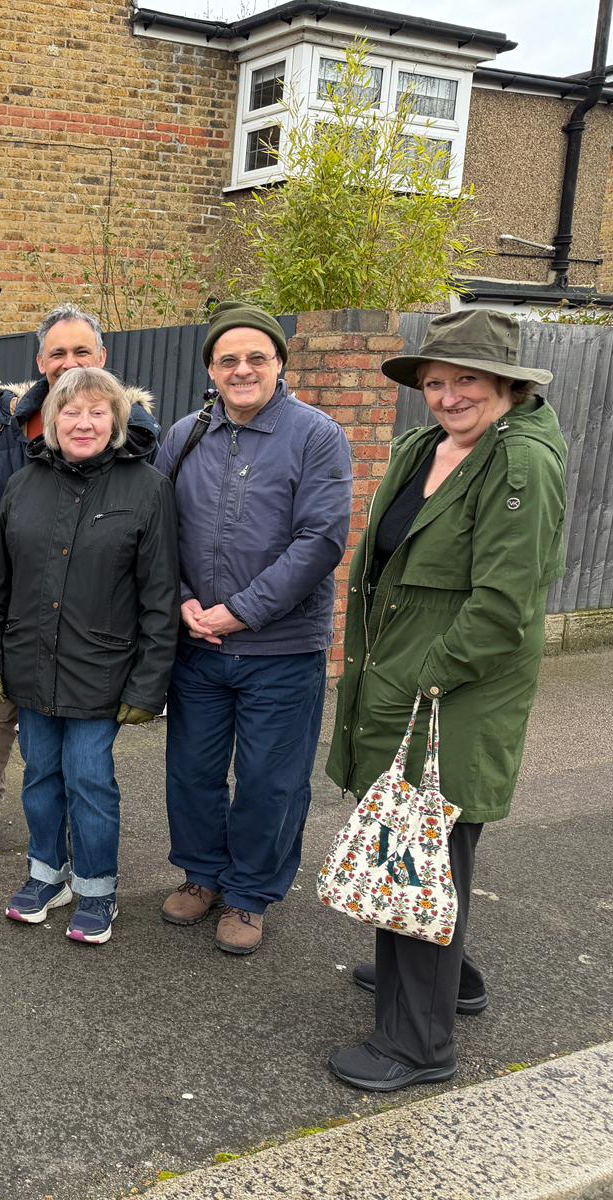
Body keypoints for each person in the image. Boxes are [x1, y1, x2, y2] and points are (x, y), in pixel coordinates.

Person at [324, 309, 565, 1092]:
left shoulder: (520, 464)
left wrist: (427, 678)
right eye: (435, 381)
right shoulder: (427, 448)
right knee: (417, 856)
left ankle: (417, 1046)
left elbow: (503, 606)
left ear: (505, 384)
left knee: (429, 853)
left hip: (449, 696)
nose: (448, 395)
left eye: (466, 379)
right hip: (402, 686)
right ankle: (442, 979)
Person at [157, 302, 352, 955]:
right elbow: (156, 531)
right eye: (228, 360)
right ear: (211, 369)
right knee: (192, 770)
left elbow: (320, 540)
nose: (242, 370)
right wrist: (182, 599)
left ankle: (249, 895)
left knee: (272, 778)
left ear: (279, 364)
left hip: (281, 647)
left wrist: (242, 609)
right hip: (198, 645)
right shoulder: (184, 434)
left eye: (256, 358)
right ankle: (203, 876)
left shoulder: (316, 435)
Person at [0, 367, 177, 943]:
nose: (83, 422)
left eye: (97, 411)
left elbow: (160, 597)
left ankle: (97, 886)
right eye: (71, 411)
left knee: (89, 779)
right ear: (53, 419)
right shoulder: (23, 484)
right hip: (29, 663)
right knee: (40, 777)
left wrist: (148, 686)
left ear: (116, 421)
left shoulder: (148, 488)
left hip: (101, 670)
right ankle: (45, 874)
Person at [0, 304, 159, 863]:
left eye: (81, 351)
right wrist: (6, 578)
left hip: (92, 628)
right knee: (2, 718)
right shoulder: (6, 427)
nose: (69, 362)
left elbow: (146, 540)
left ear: (103, 359)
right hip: (23, 615)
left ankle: (85, 866)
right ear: (40, 361)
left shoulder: (134, 432)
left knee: (84, 764)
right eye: (58, 353)